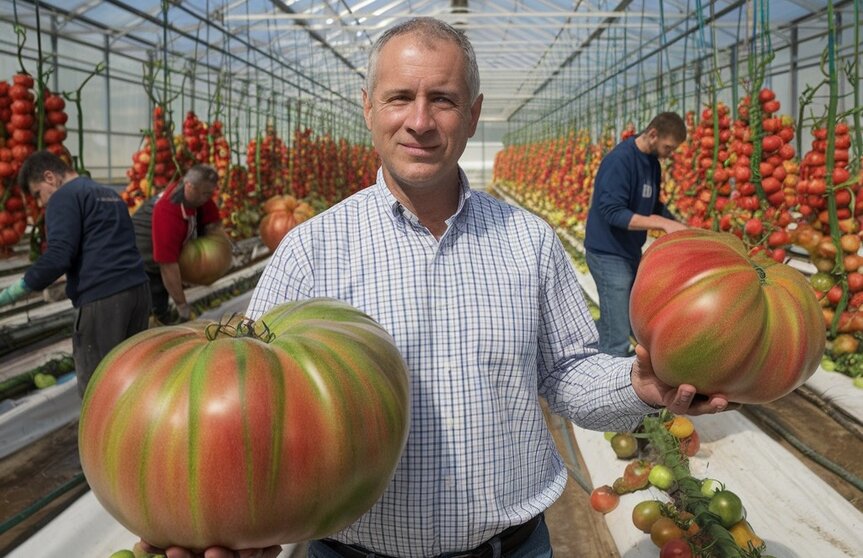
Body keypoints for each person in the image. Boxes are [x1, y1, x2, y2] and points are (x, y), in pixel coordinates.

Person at [145, 18, 728, 558]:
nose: (419, 121)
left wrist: (639, 384)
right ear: (368, 108)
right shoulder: (312, 249)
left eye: (442, 100)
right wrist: (217, 514)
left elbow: (569, 375)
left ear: (472, 116)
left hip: (512, 548)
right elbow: (251, 403)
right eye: (400, 97)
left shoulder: (529, 241)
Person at [0, 151, 151, 397]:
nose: (41, 203)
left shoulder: (63, 197)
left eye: (38, 193)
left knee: (99, 389)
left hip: (103, 302)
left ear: (50, 177)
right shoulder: (108, 194)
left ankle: (101, 436)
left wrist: (17, 289)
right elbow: (102, 247)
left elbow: (59, 255)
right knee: (132, 378)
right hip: (137, 293)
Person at [584, 113, 689, 357]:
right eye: (668, 147)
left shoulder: (652, 162)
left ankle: (587, 351)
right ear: (653, 134)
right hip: (608, 254)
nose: (669, 154)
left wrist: (678, 224)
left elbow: (652, 204)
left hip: (629, 253)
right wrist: (661, 223)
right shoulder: (620, 161)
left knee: (625, 320)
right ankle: (606, 385)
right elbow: (613, 212)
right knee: (618, 336)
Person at [132, 164, 222, 324]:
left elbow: (214, 224)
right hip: (142, 260)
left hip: (166, 254)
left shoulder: (197, 196)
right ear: (189, 186)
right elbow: (167, 266)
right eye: (205, 193)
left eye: (210, 193)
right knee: (155, 307)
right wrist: (182, 305)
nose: (207, 198)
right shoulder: (167, 211)